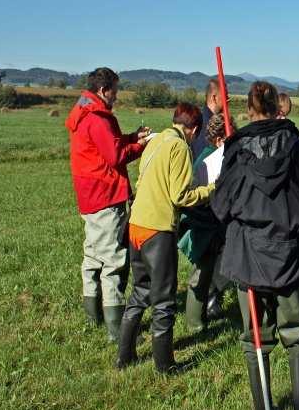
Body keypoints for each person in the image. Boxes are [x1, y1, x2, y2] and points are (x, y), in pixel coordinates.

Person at [211, 81, 299, 410]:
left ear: (250, 110)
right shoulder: (295, 145)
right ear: (276, 107)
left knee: (255, 338)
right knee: (297, 334)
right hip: (287, 253)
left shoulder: (239, 148)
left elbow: (221, 205)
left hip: (252, 255)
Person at [115, 103, 214, 373]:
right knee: (164, 300)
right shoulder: (179, 147)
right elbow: (181, 196)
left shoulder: (156, 140)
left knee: (140, 292)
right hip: (157, 229)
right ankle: (165, 365)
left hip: (135, 225)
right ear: (193, 129)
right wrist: (211, 190)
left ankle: (124, 357)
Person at [65, 67, 150, 341]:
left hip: (89, 194)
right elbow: (115, 156)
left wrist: (132, 137)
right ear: (104, 90)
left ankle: (92, 314)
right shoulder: (98, 118)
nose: (117, 95)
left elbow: (109, 144)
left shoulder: (85, 112)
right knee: (113, 260)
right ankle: (117, 329)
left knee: (92, 255)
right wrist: (141, 146)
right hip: (105, 194)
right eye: (115, 89)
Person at [178, 113, 236, 332]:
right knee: (200, 276)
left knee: (211, 270)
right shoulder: (209, 160)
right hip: (205, 223)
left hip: (213, 223)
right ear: (220, 139)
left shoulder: (213, 155)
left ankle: (204, 312)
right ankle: (195, 324)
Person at [191, 79, 225, 160]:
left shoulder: (204, 119)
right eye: (225, 96)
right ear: (214, 98)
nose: (228, 99)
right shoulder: (206, 126)